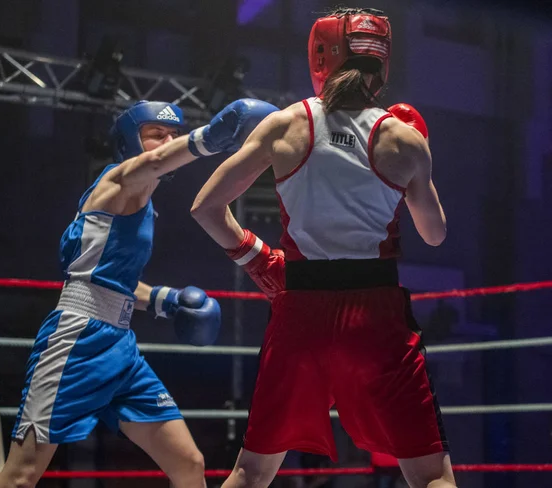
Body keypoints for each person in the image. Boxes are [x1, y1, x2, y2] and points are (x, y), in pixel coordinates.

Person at [190, 7, 454, 488]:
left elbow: (205, 208)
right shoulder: (404, 139)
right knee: (431, 475)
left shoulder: (285, 125)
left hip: (301, 313)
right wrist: (419, 167)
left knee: (251, 472)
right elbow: (435, 234)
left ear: (320, 55)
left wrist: (256, 260)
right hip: (377, 319)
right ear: (383, 61)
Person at [0, 97, 278, 488]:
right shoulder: (117, 180)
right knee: (20, 477)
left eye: (172, 134)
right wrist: (208, 137)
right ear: (130, 142)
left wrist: (165, 302)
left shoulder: (144, 202)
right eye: (156, 134)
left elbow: (113, 282)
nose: (167, 142)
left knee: (189, 464)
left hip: (120, 347)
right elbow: (153, 164)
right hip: (76, 340)